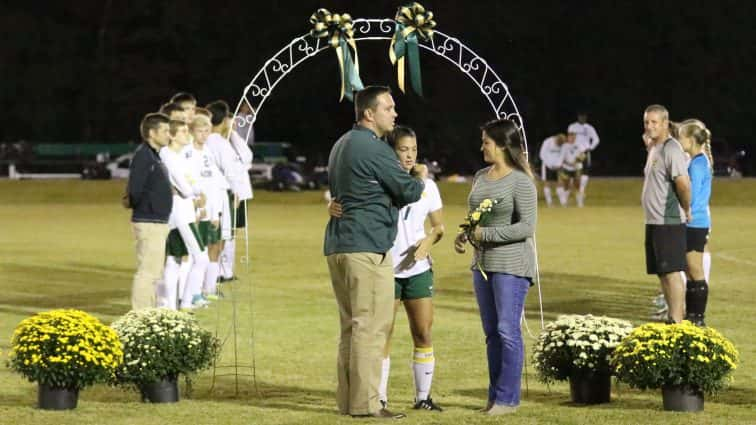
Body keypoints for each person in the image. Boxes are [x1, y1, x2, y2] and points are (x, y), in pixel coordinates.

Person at [324, 86, 424, 419]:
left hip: (340, 244)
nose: (394, 114)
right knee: (370, 327)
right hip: (365, 246)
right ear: (370, 113)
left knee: (351, 328)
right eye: (389, 108)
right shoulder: (375, 147)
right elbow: (408, 190)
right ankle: (366, 405)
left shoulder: (341, 143)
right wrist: (418, 176)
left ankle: (349, 401)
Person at [329, 126, 445, 411]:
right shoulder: (379, 178)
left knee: (423, 332)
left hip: (417, 269)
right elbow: (351, 201)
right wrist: (333, 206)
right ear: (390, 152)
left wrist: (428, 243)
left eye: (414, 150)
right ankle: (377, 397)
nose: (409, 155)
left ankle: (423, 398)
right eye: (403, 149)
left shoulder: (428, 185)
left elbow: (439, 226)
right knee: (382, 333)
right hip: (384, 265)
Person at [454, 118, 537, 415]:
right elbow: (476, 216)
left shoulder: (520, 181)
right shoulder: (480, 176)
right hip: (483, 265)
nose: (482, 147)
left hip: (512, 266)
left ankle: (508, 399)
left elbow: (527, 227)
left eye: (486, 141)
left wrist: (485, 234)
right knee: (491, 333)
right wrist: (465, 234)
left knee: (506, 330)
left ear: (502, 145)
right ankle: (495, 397)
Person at [641, 105, 691, 323]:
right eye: (646, 122)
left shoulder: (671, 148)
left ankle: (677, 320)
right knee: (662, 272)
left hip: (667, 221)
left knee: (672, 272)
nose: (649, 126)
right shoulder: (655, 147)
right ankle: (671, 315)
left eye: (654, 122)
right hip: (653, 221)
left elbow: (683, 184)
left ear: (665, 123)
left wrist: (686, 208)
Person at [157, 120, 209, 310]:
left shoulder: (180, 156)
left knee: (175, 258)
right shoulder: (167, 155)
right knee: (201, 257)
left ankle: (170, 306)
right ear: (171, 135)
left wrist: (198, 191)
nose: (188, 134)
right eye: (183, 131)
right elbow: (184, 186)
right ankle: (186, 301)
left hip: (182, 211)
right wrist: (194, 194)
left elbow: (192, 181)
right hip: (180, 213)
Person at [126, 112, 173, 310]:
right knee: (148, 271)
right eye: (165, 131)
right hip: (149, 220)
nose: (169, 135)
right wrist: (148, 207)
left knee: (154, 271)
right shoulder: (144, 156)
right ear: (152, 133)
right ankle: (141, 315)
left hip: (156, 220)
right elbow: (134, 190)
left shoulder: (153, 155)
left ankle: (149, 311)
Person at [678, 119, 713, 326]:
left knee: (695, 269)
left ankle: (698, 318)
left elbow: (694, 195)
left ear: (691, 140)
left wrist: (685, 209)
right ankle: (692, 316)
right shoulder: (698, 161)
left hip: (695, 223)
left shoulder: (698, 163)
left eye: (681, 137)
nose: (679, 141)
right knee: (691, 270)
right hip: (695, 222)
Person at [567, 112, 600, 206]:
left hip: (584, 152)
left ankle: (581, 191)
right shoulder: (572, 126)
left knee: (585, 172)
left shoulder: (589, 128)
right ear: (578, 117)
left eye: (584, 117)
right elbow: (569, 139)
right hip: (574, 152)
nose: (582, 118)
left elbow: (596, 139)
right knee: (574, 172)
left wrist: (590, 147)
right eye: (581, 116)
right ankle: (571, 193)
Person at [557, 132, 585, 206]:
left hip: (577, 168)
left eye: (573, 137)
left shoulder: (579, 145)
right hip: (567, 168)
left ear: (575, 138)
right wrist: (567, 163)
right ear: (568, 138)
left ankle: (580, 203)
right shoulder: (564, 146)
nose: (572, 139)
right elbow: (561, 157)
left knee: (577, 185)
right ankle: (565, 203)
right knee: (566, 185)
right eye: (570, 137)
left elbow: (583, 155)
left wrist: (577, 160)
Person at [538, 133, 566, 207]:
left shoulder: (563, 144)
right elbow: (542, 154)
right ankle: (550, 203)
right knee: (547, 184)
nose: (559, 146)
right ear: (556, 139)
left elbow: (562, 155)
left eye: (561, 144)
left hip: (557, 166)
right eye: (558, 144)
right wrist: (549, 165)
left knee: (560, 183)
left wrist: (559, 164)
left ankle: (563, 203)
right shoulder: (547, 142)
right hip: (547, 166)